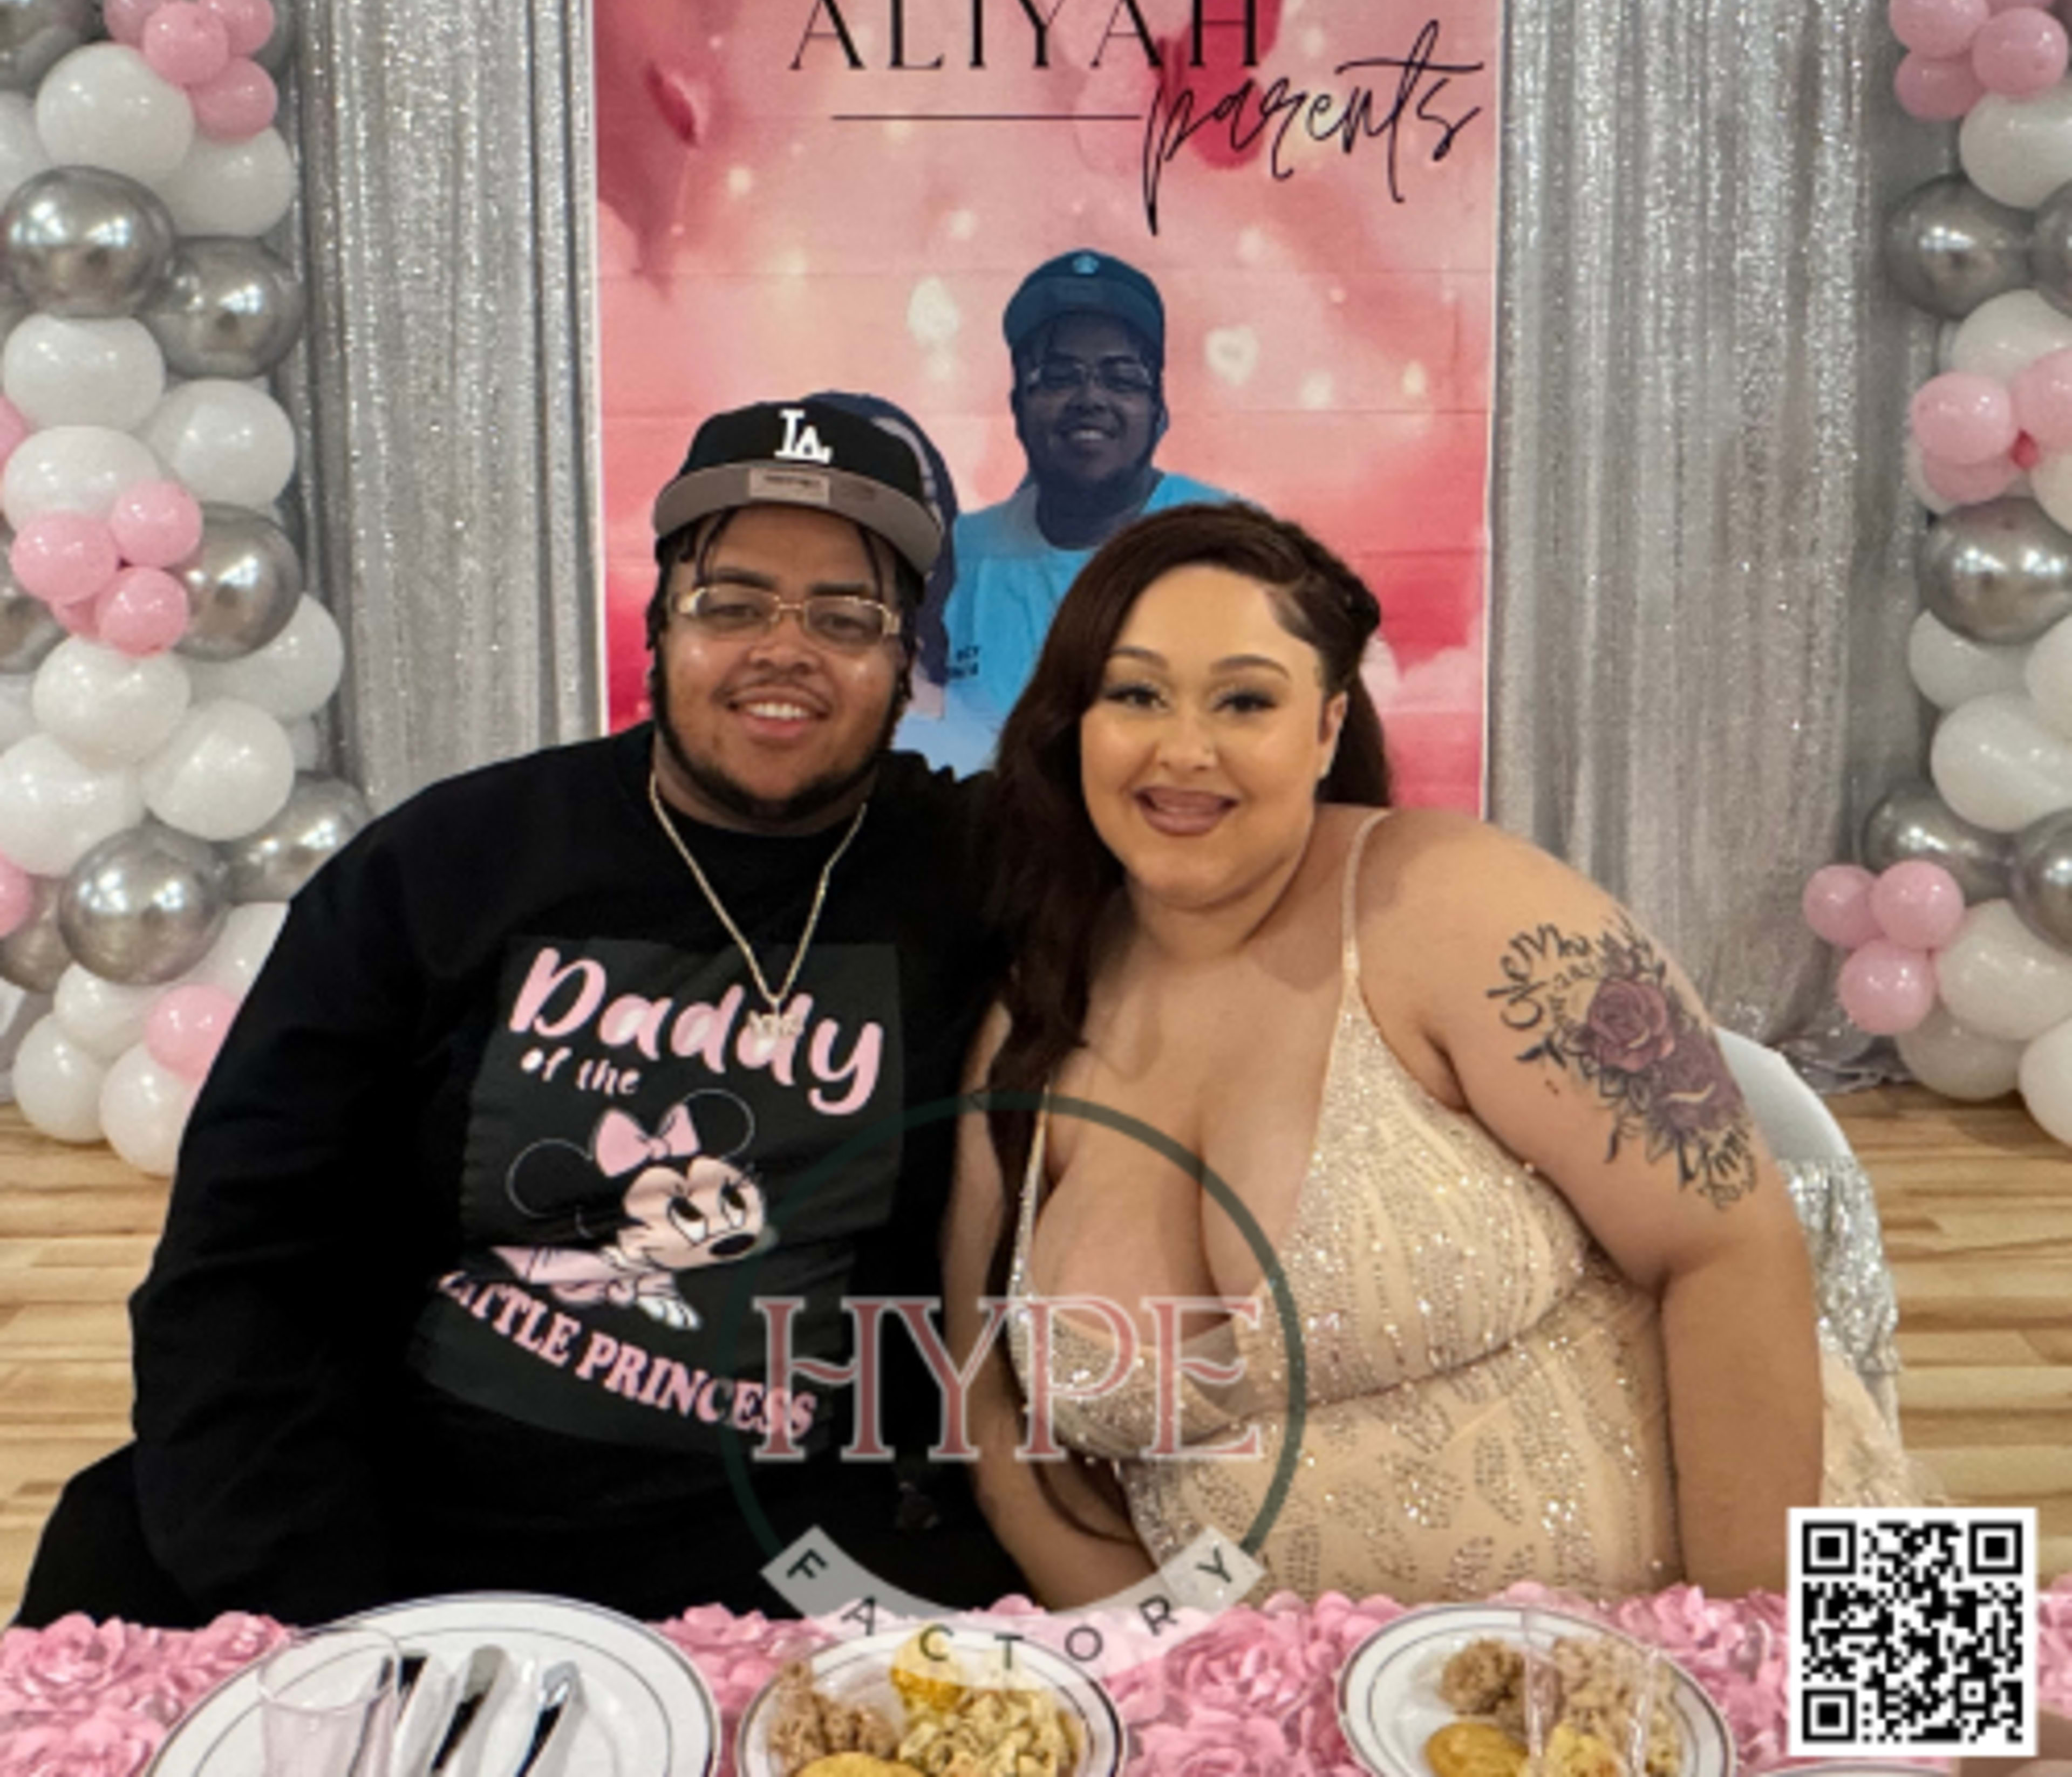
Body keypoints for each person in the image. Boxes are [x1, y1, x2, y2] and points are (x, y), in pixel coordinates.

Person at [17, 395, 1022, 1629]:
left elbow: (1215, 839)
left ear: (906, 654)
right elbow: (244, 1252)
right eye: (734, 601)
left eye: (844, 616)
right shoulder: (449, 863)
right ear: (660, 625)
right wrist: (335, 1620)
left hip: (788, 1544)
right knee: (120, 1559)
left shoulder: (976, 876)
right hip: (413, 1495)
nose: (785, 648)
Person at [944, 501, 1919, 1607]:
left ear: (1324, 729)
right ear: (1075, 721)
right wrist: (1180, 1692)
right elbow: (1002, 1442)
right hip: (1312, 1728)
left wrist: (1749, 1666)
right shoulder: (1027, 1024)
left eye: (1246, 700)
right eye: (1135, 694)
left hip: (1783, 1607)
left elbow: (1732, 1246)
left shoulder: (1456, 897)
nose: (1184, 748)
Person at [909, 248, 1228, 772]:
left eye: (1121, 378)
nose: (1089, 398)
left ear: (1160, 409)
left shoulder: (1229, 545)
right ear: (1016, 406)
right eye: (1058, 376)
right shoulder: (960, 556)